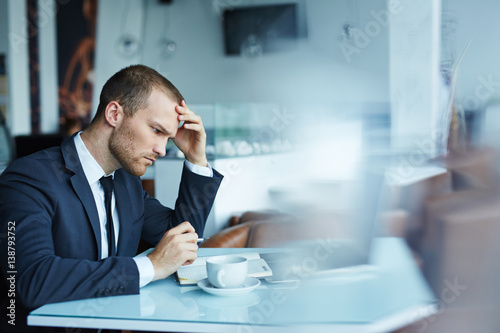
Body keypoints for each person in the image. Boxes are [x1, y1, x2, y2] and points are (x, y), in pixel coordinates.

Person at [0, 64, 223, 333]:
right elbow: (31, 280)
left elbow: (181, 238)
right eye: (156, 130)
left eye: (169, 138)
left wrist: (196, 159)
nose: (163, 150)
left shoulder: (126, 181)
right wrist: (150, 266)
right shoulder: (28, 178)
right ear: (114, 113)